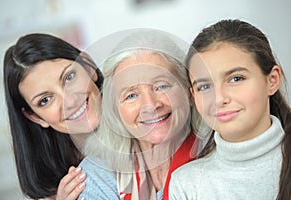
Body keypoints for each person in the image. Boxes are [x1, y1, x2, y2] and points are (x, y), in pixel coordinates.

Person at [169, 19, 291, 199]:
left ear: (272, 80)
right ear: (193, 96)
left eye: (236, 79)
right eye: (204, 86)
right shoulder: (186, 184)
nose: (219, 99)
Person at [79, 29, 207, 200]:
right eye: (131, 95)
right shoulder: (96, 175)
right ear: (117, 110)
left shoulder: (219, 163)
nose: (150, 105)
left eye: (161, 86)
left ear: (189, 93)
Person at [3, 33, 106, 199]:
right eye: (45, 100)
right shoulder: (60, 188)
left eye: (69, 77)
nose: (70, 101)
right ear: (35, 117)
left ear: (88, 68)